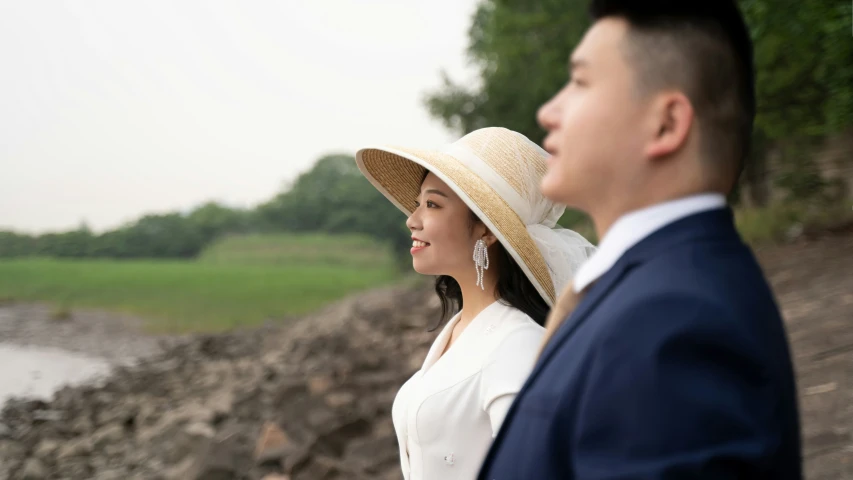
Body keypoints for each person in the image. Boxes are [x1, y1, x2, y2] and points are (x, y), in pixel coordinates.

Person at [478, 1, 803, 479]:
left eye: (582, 82)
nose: (548, 111)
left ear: (666, 124)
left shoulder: (677, 320)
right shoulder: (649, 289)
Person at [354, 127, 595, 480]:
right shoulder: (460, 329)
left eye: (432, 204)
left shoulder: (516, 344)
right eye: (418, 203)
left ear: (485, 229)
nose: (412, 219)